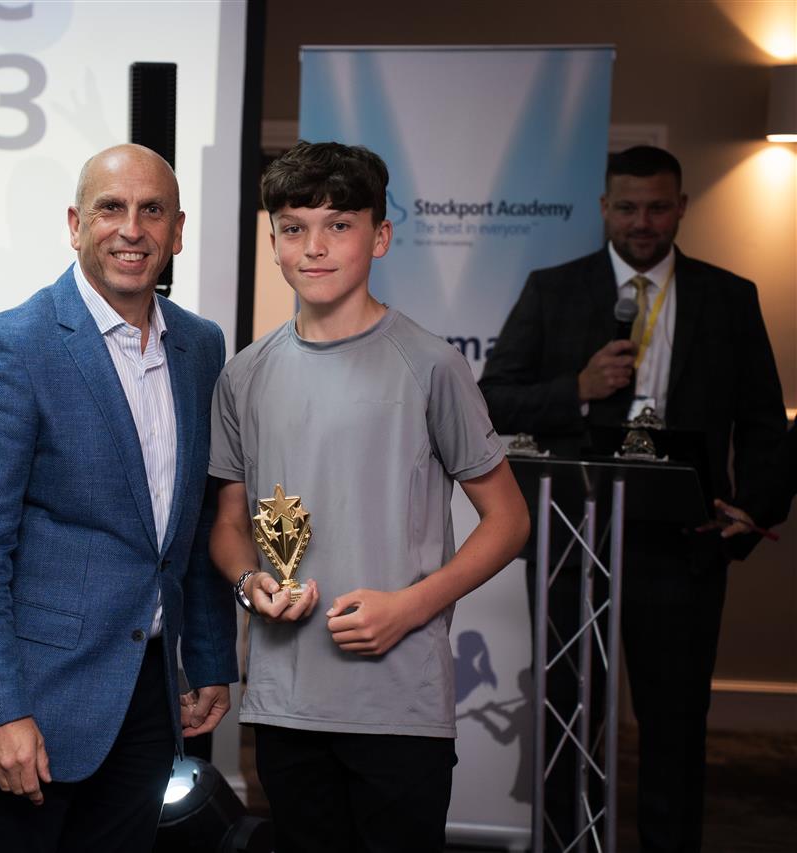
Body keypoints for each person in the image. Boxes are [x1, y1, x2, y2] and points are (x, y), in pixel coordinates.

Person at [208, 141, 530, 853]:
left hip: (399, 701)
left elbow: (509, 521)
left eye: (339, 225)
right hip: (285, 701)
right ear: (273, 242)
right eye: (294, 227)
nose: (315, 247)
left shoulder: (432, 364)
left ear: (379, 237)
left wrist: (409, 607)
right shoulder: (244, 375)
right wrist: (250, 582)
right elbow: (230, 523)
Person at [0, 143, 239, 853]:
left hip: (148, 702)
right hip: (31, 704)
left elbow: (192, 521)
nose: (132, 229)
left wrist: (210, 657)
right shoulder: (10, 346)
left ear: (178, 231)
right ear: (75, 224)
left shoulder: (199, 346)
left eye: (152, 211)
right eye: (111, 208)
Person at [479, 145, 788, 852]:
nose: (641, 222)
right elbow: (492, 398)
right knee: (567, 715)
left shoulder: (728, 296)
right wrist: (577, 389)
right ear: (604, 209)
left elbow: (765, 422)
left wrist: (753, 511)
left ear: (681, 208)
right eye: (627, 207)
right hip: (573, 539)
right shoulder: (554, 289)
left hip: (684, 546)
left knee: (675, 725)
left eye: (656, 207)